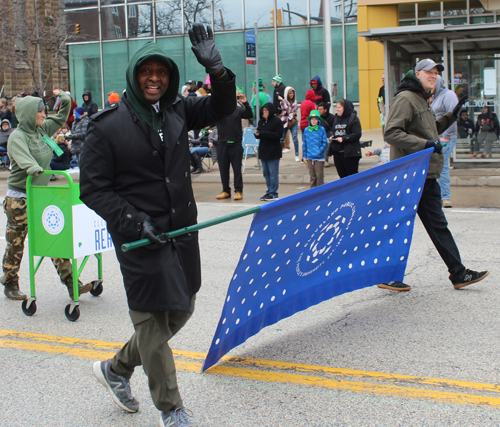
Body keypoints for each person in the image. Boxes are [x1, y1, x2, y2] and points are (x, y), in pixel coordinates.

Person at [79, 25, 236, 427]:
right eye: (146, 71)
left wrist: (216, 70)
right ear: (134, 76)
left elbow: (221, 108)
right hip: (139, 239)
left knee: (182, 309)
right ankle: (172, 409)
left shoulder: (178, 110)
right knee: (150, 320)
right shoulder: (106, 126)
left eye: (161, 72)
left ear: (170, 78)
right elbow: (93, 190)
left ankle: (116, 368)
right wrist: (133, 222)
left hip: (182, 233)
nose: (154, 78)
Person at [383, 58, 489, 291]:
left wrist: (452, 115)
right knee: (400, 225)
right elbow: (390, 133)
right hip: (409, 176)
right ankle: (388, 276)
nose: (433, 76)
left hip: (426, 175)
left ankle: (459, 274)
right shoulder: (405, 99)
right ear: (417, 74)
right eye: (428, 72)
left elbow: (429, 130)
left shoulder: (422, 99)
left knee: (438, 226)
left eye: (436, 73)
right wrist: (425, 144)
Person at [1, 90, 92, 300]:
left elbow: (61, 116)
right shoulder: (17, 136)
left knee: (53, 238)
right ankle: (10, 282)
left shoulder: (41, 130)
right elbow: (23, 159)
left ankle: (72, 283)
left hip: (40, 196)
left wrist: (66, 97)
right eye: (40, 112)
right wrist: (36, 169)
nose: (44, 115)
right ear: (29, 114)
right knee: (16, 243)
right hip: (20, 199)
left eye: (44, 112)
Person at [215, 90, 253, 200]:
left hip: (235, 145)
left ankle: (238, 191)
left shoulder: (238, 110)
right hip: (222, 145)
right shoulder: (219, 112)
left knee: (237, 169)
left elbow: (249, 115)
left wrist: (246, 103)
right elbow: (209, 121)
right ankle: (226, 190)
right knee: (223, 170)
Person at [432, 76, 458, 209]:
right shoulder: (434, 97)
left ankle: (445, 197)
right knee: (437, 167)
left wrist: (446, 137)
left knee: (442, 167)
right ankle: (440, 196)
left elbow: (453, 115)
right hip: (437, 138)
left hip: (445, 138)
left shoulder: (448, 95)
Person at [328, 99, 362, 178]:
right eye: (337, 107)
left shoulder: (353, 119)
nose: (337, 109)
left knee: (352, 177)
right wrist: (331, 135)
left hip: (349, 153)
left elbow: (357, 134)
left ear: (345, 108)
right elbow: (331, 130)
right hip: (337, 152)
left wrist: (344, 138)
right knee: (342, 176)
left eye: (339, 107)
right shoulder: (336, 118)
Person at [255, 103, 282, 201]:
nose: (264, 112)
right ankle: (269, 190)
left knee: (273, 173)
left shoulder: (277, 121)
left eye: (266, 110)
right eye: (263, 110)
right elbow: (260, 133)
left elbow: (278, 135)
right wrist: (257, 134)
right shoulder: (261, 122)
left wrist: (262, 133)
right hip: (263, 149)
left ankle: (274, 192)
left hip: (273, 150)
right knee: (266, 173)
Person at [302, 110, 328, 188]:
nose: (313, 121)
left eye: (315, 119)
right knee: (312, 177)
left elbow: (325, 142)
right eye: (312, 119)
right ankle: (312, 193)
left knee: (319, 176)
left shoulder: (322, 129)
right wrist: (304, 156)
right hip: (309, 157)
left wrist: (319, 151)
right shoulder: (306, 130)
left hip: (319, 157)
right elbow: (305, 144)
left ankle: (320, 193)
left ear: (318, 120)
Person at [279, 86, 299, 161]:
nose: (292, 94)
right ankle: (278, 153)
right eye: (290, 93)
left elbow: (295, 113)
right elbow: (287, 110)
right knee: (281, 139)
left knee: (295, 138)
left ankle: (297, 155)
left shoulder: (295, 101)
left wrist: (291, 113)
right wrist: (291, 113)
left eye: (293, 93)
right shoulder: (283, 102)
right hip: (285, 122)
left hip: (293, 122)